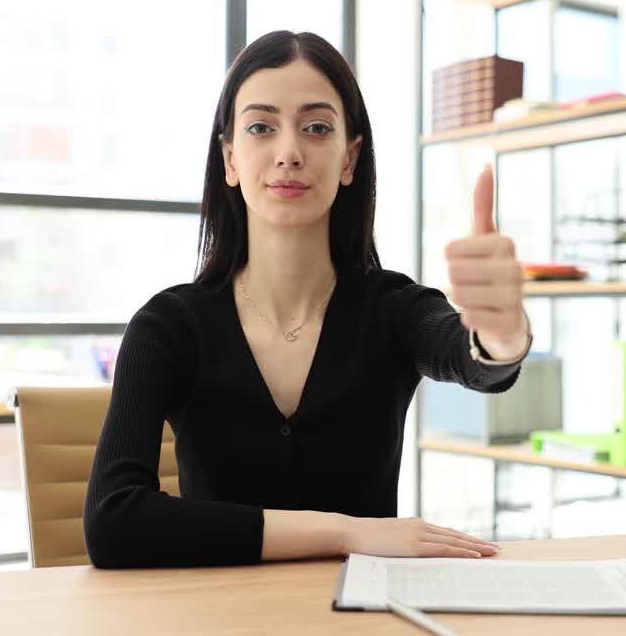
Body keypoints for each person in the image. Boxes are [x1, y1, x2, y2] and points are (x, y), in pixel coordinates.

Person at [84, 30, 532, 568]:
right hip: (215, 616)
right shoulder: (169, 325)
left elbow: (472, 356)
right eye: (261, 127)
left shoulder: (391, 307)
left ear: (349, 158)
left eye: (317, 128)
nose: (289, 152)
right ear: (230, 158)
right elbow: (114, 523)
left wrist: (502, 331)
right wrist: (344, 532)